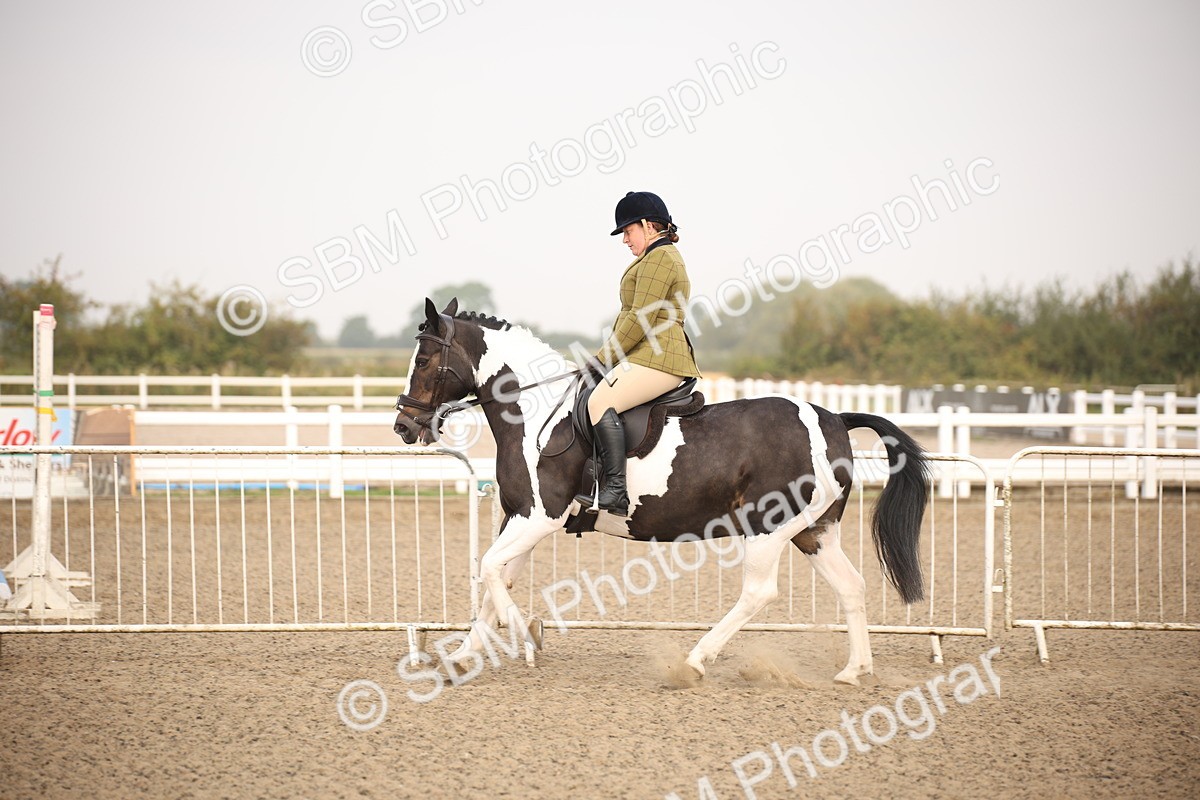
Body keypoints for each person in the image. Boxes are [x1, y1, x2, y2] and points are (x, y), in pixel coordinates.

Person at [577, 191, 702, 516]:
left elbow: (639, 318)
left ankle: (616, 491)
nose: (624, 240)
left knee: (600, 402)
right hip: (647, 354)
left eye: (628, 231)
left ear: (648, 226)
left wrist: (603, 359)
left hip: (659, 357)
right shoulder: (655, 257)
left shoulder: (660, 258)